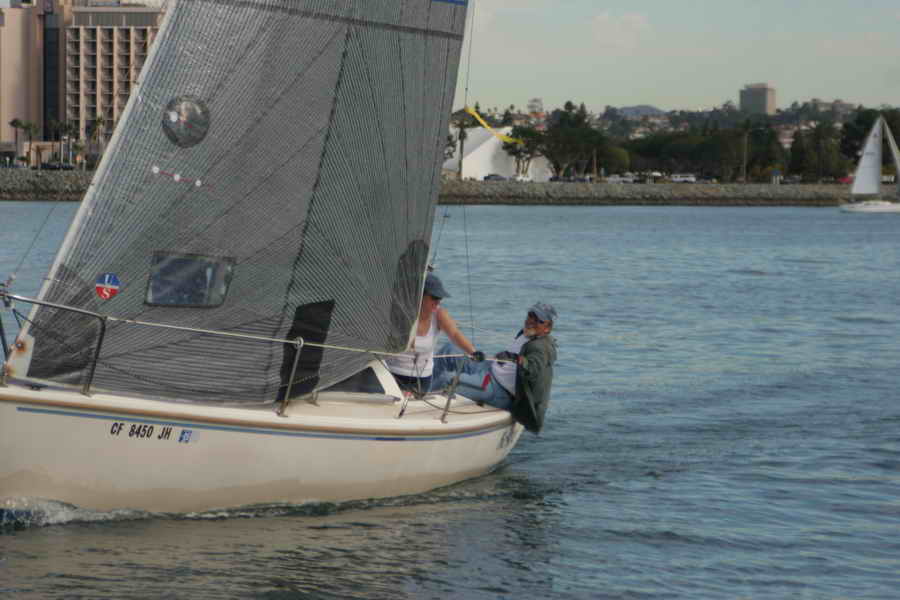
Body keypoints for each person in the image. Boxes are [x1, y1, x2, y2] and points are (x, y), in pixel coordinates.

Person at [431, 302, 558, 433]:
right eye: (531, 315)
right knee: (449, 349)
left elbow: (533, 368)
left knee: (447, 380)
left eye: (538, 320)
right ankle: (422, 390)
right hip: (489, 368)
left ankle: (424, 401)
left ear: (547, 327)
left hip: (498, 390)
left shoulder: (541, 348)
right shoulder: (526, 333)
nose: (531, 320)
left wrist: (514, 358)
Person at [384, 272, 482, 394]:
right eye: (434, 297)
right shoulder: (398, 312)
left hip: (423, 378)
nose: (438, 302)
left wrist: (473, 352)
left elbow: (455, 334)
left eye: (440, 298)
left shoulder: (439, 314)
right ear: (420, 295)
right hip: (393, 375)